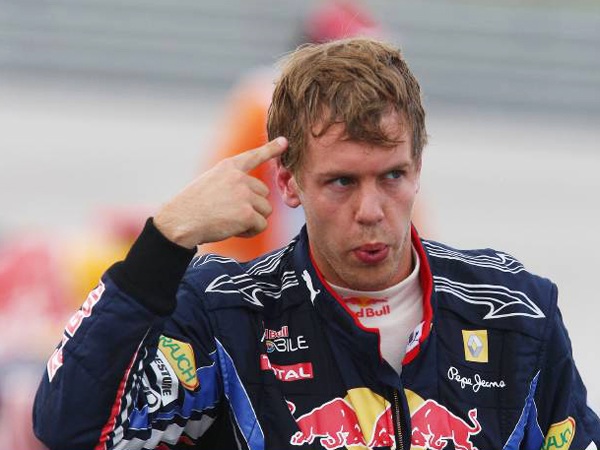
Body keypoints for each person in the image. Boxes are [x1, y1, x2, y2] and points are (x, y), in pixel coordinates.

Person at [33, 38, 599, 450]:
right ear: (288, 183)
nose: (371, 210)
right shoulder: (227, 315)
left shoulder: (515, 311)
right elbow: (71, 428)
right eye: (342, 182)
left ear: (418, 168)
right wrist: (165, 240)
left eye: (392, 176)